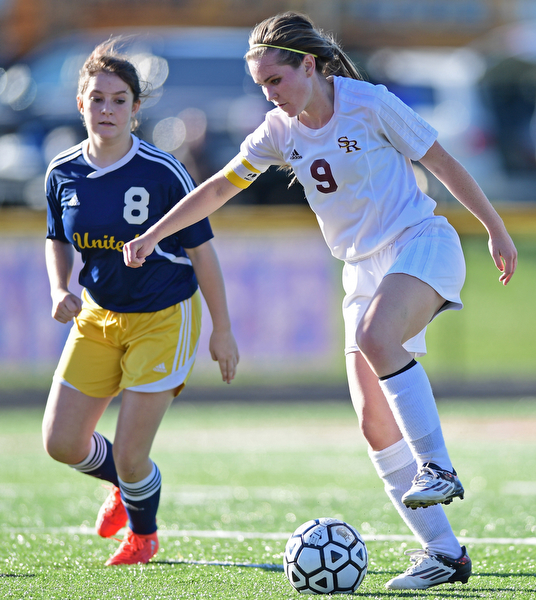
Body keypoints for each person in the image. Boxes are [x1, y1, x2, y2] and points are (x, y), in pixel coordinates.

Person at [123, 12, 517, 590]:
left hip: (420, 243)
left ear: (309, 65)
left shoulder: (369, 103)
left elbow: (443, 162)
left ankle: (439, 465)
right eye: (261, 85)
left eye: (276, 80)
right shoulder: (278, 131)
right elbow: (218, 188)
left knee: (375, 338)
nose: (269, 94)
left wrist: (496, 228)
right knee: (372, 421)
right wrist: (156, 232)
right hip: (361, 269)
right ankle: (444, 552)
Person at [42, 39, 239, 567]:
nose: (107, 109)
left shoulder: (162, 172)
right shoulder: (61, 172)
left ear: (135, 108)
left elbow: (203, 253)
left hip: (163, 318)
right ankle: (126, 487)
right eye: (98, 99)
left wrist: (223, 329)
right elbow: (57, 238)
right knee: (61, 443)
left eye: (119, 99)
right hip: (97, 317)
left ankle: (143, 533)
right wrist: (61, 288)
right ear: (81, 104)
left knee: (132, 456)